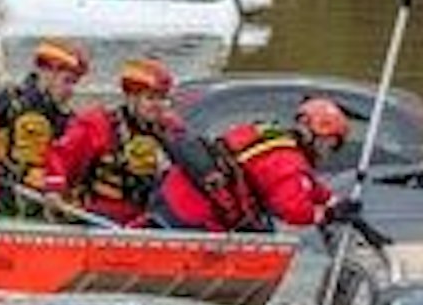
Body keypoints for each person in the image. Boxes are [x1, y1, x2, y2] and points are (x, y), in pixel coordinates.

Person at [147, 95, 352, 232]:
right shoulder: (288, 161)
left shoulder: (273, 137)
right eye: (329, 144)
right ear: (314, 136)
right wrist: (327, 214)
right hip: (193, 212)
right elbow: (293, 208)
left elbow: (305, 185)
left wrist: (333, 200)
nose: (328, 153)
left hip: (171, 192)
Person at [40, 57, 185, 224]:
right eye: (151, 98)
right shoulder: (98, 125)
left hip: (151, 218)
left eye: (162, 98)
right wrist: (54, 191)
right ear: (131, 97)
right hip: (101, 219)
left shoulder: (172, 130)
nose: (158, 105)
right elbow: (61, 155)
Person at [0, 39, 88, 215]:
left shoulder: (67, 118)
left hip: (41, 196)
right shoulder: (9, 101)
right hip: (3, 193)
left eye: (74, 83)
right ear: (49, 72)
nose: (71, 90)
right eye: (68, 81)